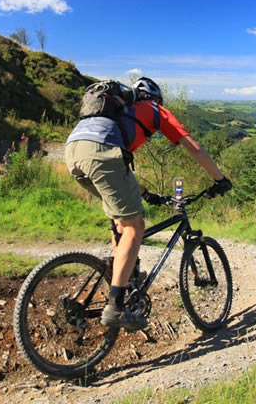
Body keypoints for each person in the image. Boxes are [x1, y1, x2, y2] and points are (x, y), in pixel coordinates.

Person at [64, 77, 232, 332]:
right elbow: (193, 147)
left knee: (123, 222)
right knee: (135, 227)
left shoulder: (118, 113)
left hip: (73, 151)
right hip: (100, 153)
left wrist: (145, 193)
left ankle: (123, 277)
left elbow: (118, 164)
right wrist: (219, 178)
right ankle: (116, 306)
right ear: (155, 98)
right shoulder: (154, 109)